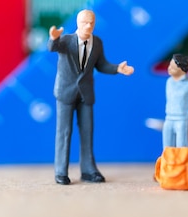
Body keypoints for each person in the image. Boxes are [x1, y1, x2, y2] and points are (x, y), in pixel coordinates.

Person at [48, 9, 134, 185]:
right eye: (84, 22)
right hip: (65, 92)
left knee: (87, 132)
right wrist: (54, 38)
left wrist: (117, 68)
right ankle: (61, 171)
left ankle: (88, 170)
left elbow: (101, 65)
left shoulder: (98, 43)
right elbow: (52, 47)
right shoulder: (65, 41)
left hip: (86, 94)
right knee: (64, 132)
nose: (88, 26)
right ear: (78, 23)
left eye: (91, 22)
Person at [163, 54, 188, 148]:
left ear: (182, 69)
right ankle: (168, 162)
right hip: (169, 117)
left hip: (182, 119)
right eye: (170, 65)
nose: (169, 69)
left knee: (182, 144)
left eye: (173, 68)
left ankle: (183, 162)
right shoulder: (169, 82)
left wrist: (187, 116)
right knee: (167, 144)